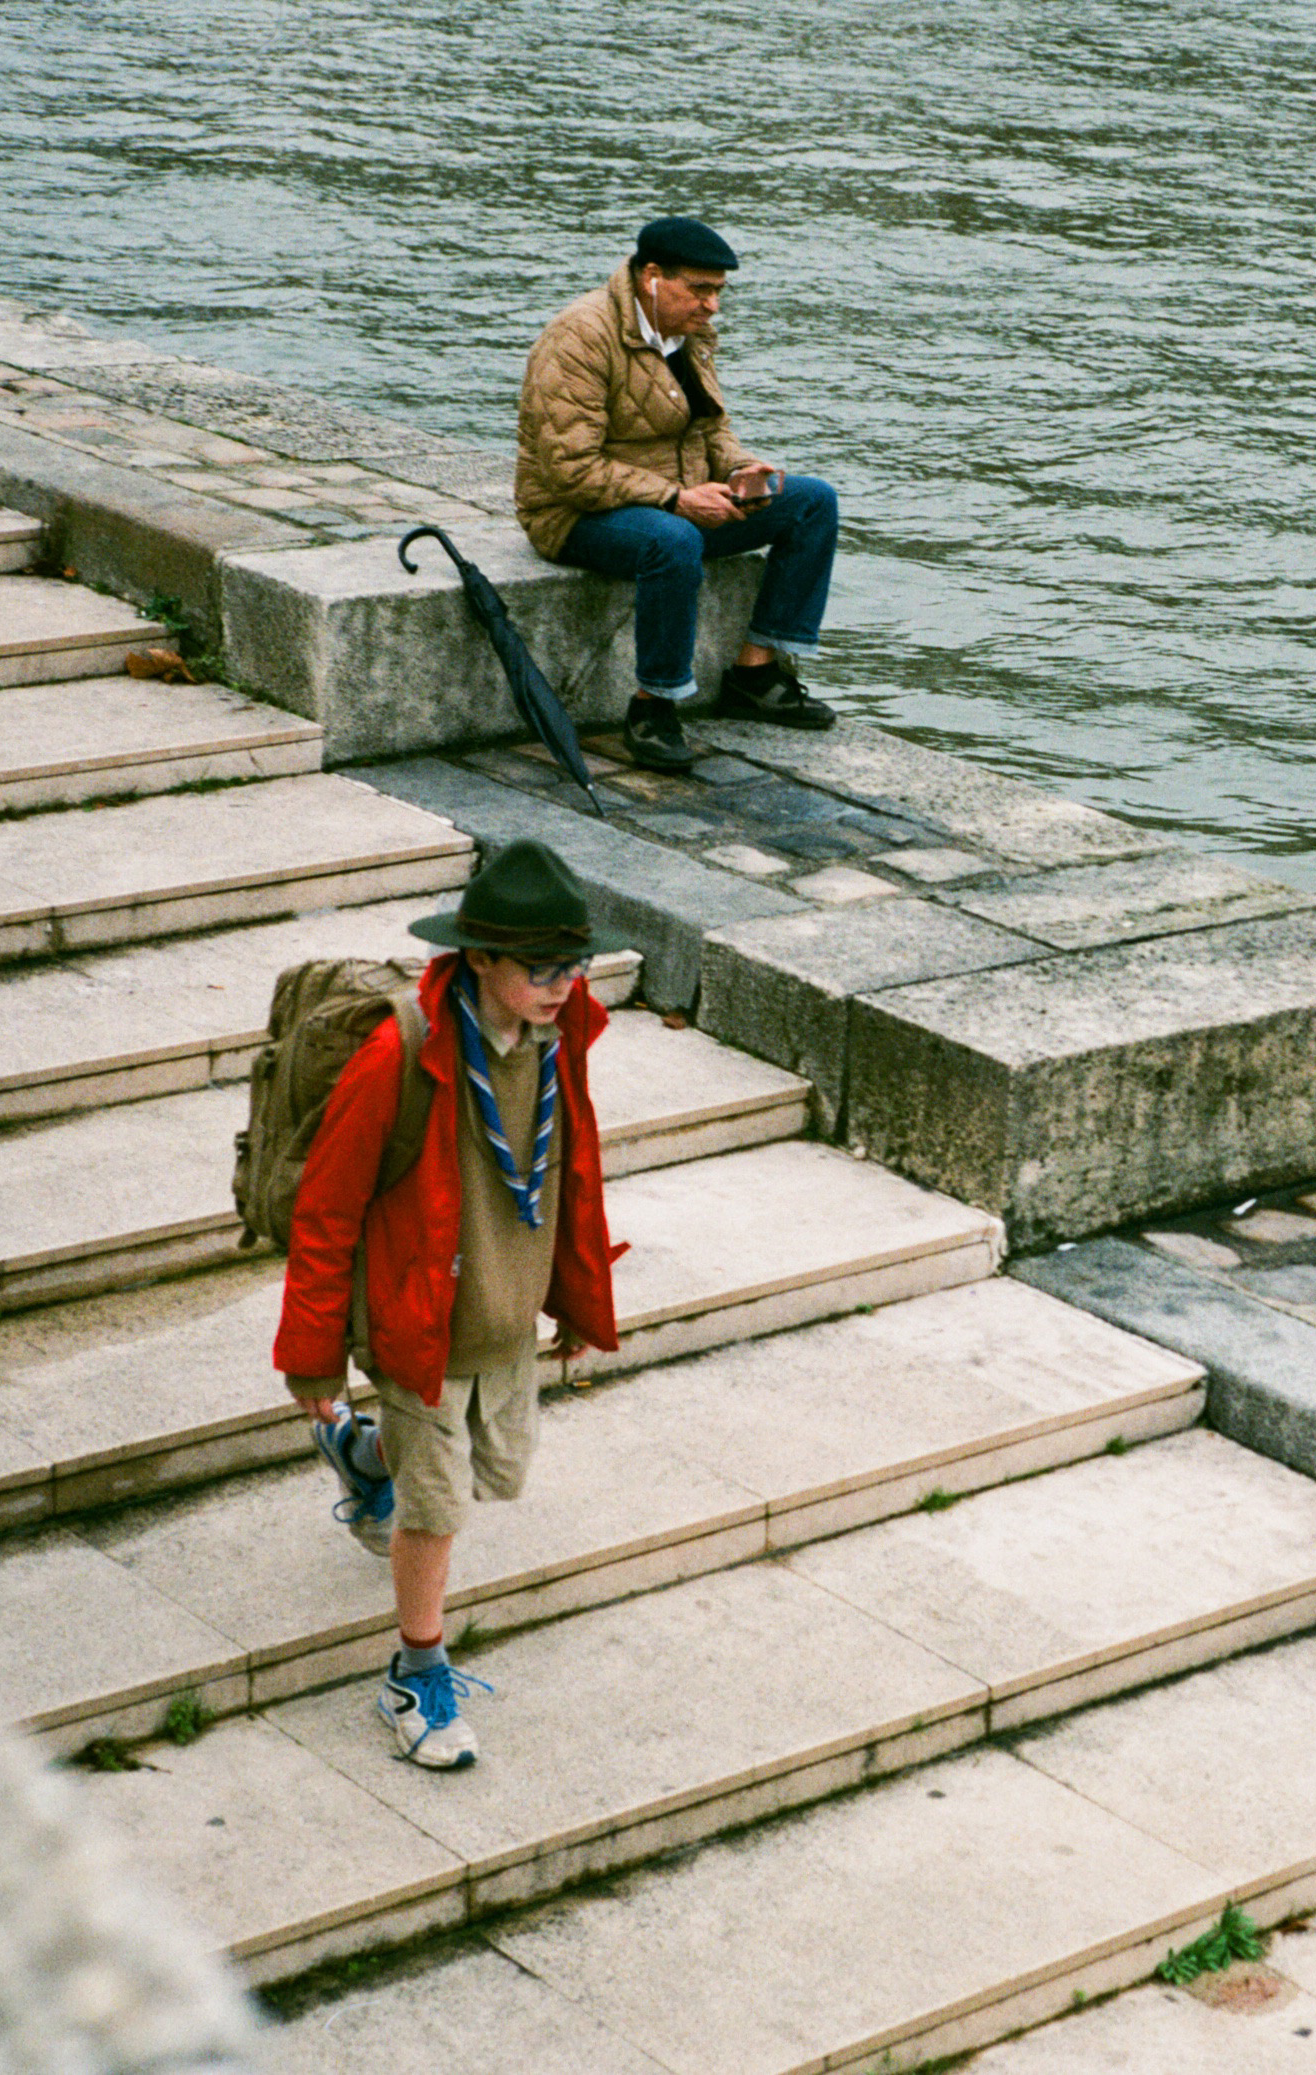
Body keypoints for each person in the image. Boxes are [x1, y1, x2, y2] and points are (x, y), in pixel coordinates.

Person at [273, 840, 625, 1770]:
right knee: (437, 1507)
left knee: (485, 1470)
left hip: (502, 1314)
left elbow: (571, 1171)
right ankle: (415, 1670)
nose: (564, 984)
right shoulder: (402, 1051)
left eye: (574, 964)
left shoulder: (558, 1034)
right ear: (478, 959)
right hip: (420, 1325)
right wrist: (311, 1352)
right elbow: (327, 1206)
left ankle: (361, 1452)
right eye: (543, 968)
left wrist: (577, 1298)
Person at [517, 213, 841, 773]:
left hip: (674, 499)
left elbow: (710, 428)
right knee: (672, 541)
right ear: (651, 278)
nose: (712, 306)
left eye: (718, 291)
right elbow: (570, 468)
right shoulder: (579, 337)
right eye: (700, 290)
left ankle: (756, 673)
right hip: (573, 515)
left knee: (812, 501)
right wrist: (675, 499)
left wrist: (743, 473)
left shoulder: (688, 334)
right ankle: (654, 707)